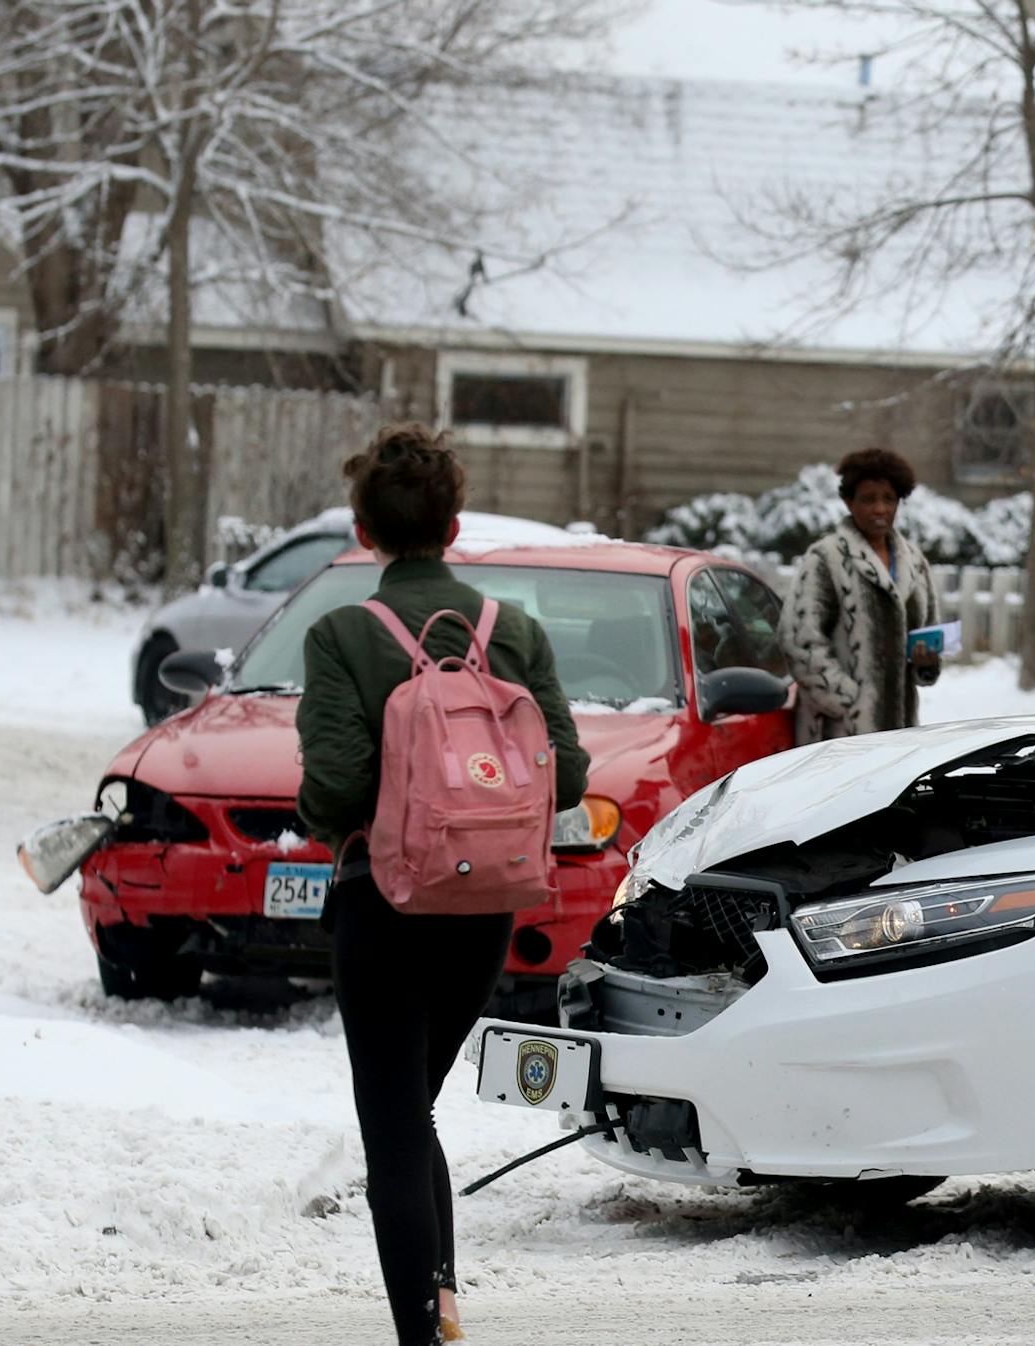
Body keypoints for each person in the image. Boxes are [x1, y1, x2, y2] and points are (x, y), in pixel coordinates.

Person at [296, 423, 588, 1346]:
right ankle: (443, 1293)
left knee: (389, 1123)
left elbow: (337, 788)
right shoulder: (517, 632)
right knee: (412, 1107)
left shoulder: (343, 635)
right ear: (455, 524)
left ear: (363, 528)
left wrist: (318, 802)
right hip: (486, 908)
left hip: (382, 906)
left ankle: (421, 1331)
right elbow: (569, 775)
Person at [781, 447, 943, 741]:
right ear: (848, 501)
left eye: (889, 499)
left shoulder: (915, 563)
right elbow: (800, 640)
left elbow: (928, 634)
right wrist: (850, 702)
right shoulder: (825, 558)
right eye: (868, 499)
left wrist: (926, 662)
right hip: (837, 737)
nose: (879, 509)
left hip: (900, 735)